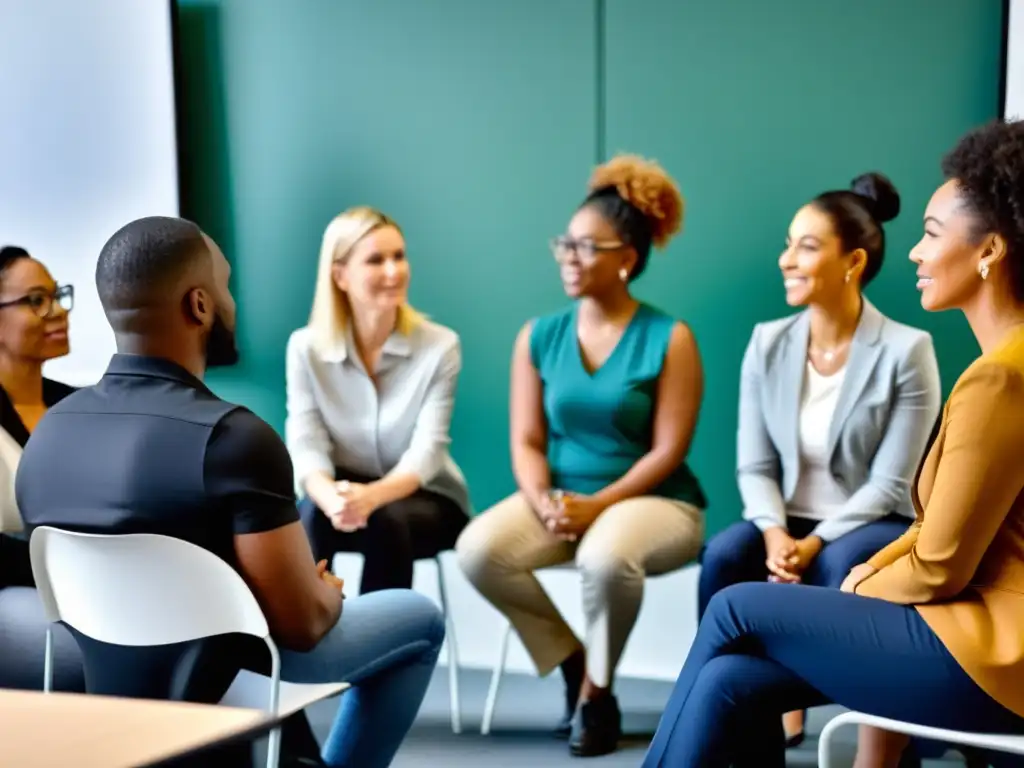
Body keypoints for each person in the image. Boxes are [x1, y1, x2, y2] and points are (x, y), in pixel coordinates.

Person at [640, 119, 1024, 768]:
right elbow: (941, 529)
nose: (912, 255)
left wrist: (852, 588)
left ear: (988, 251)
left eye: (930, 236)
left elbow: (941, 565)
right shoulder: (1003, 365)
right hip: (972, 634)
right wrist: (865, 573)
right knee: (727, 684)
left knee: (735, 607)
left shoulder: (999, 377)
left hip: (992, 656)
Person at [15, 216, 444, 768]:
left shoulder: (50, 432)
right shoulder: (235, 438)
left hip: (105, 676)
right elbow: (303, 627)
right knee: (419, 618)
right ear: (199, 305)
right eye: (226, 285)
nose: (231, 302)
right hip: (224, 674)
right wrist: (323, 592)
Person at [457, 154, 706, 758]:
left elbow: (670, 451)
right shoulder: (538, 335)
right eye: (565, 243)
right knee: (480, 552)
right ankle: (574, 662)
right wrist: (542, 499)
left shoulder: (670, 338)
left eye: (587, 247)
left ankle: (598, 693)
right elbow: (528, 441)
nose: (570, 256)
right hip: (563, 497)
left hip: (653, 501)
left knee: (604, 557)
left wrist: (598, 505)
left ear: (627, 258)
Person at [697, 173, 942, 746]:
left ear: (852, 262)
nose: (786, 259)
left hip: (869, 522)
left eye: (806, 246)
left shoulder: (908, 351)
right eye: (788, 243)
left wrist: (812, 543)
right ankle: (747, 740)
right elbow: (754, 467)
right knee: (725, 555)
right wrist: (777, 532)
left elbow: (891, 484)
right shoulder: (767, 342)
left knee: (842, 565)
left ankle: (853, 727)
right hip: (784, 520)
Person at [287, 206, 469, 595]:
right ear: (340, 276)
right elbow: (306, 442)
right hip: (340, 497)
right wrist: (330, 497)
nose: (394, 271)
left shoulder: (440, 346)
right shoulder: (305, 348)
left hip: (425, 501)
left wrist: (370, 498)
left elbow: (428, 452)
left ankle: (380, 649)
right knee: (309, 515)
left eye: (399, 256)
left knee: (385, 519)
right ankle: (310, 641)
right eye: (376, 260)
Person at [0, 244, 83, 693]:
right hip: (15, 592)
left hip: (92, 584)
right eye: (35, 300)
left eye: (57, 295)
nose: (57, 311)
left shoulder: (83, 405)